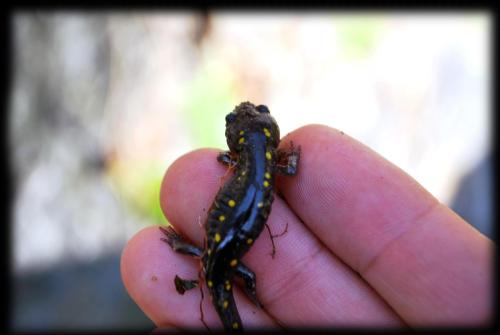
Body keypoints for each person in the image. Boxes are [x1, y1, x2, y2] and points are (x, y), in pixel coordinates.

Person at [121, 125, 492, 330]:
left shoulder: (241, 160)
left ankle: (232, 281)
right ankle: (244, 288)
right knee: (224, 273)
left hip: (219, 257)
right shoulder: (273, 164)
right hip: (220, 257)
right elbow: (292, 168)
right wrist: (293, 153)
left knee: (222, 271)